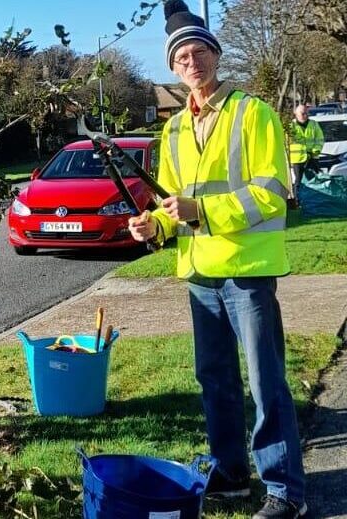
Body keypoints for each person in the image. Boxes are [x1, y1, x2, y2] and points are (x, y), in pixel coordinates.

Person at [128, 2, 307, 518]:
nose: (192, 62)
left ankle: (285, 491)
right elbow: (172, 201)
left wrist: (199, 210)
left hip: (247, 272)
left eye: (199, 51)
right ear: (173, 69)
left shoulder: (253, 112)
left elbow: (272, 192)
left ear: (215, 56)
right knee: (216, 380)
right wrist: (154, 225)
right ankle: (231, 474)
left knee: (265, 379)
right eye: (181, 56)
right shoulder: (174, 130)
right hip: (200, 274)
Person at [289, 104, 324, 202]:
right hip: (297, 159)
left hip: (312, 157)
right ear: (296, 114)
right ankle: (298, 200)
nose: (305, 115)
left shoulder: (313, 124)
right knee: (298, 181)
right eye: (302, 113)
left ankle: (314, 200)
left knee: (313, 180)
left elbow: (320, 139)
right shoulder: (291, 126)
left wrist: (315, 150)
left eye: (306, 113)